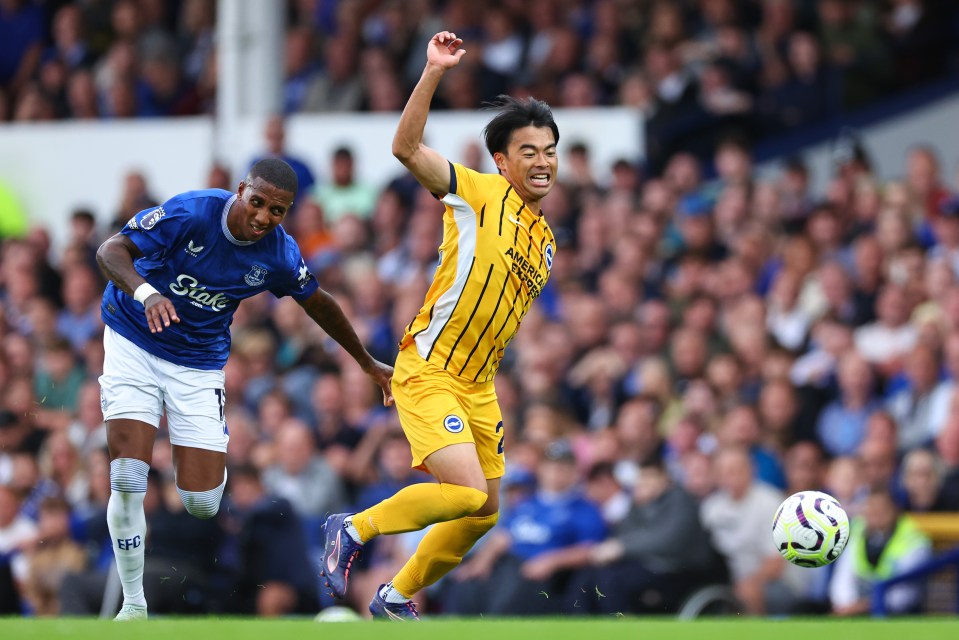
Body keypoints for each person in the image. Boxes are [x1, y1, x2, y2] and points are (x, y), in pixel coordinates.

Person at [321, 30, 559, 620]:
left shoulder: (547, 241)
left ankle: (394, 596)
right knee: (468, 491)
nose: (543, 161)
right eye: (528, 151)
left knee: (485, 510)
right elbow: (405, 146)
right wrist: (432, 71)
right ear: (503, 161)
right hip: (431, 367)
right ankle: (352, 527)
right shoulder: (476, 192)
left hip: (480, 384)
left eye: (550, 150)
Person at [96, 157, 393, 620]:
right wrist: (146, 293)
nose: (262, 218)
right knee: (128, 476)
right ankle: (133, 605)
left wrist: (367, 362)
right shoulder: (191, 213)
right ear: (240, 190)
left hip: (197, 363)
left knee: (201, 503)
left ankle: (196, 444)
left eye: (277, 211)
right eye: (257, 203)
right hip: (134, 336)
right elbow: (110, 251)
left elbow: (318, 302)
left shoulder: (278, 253)